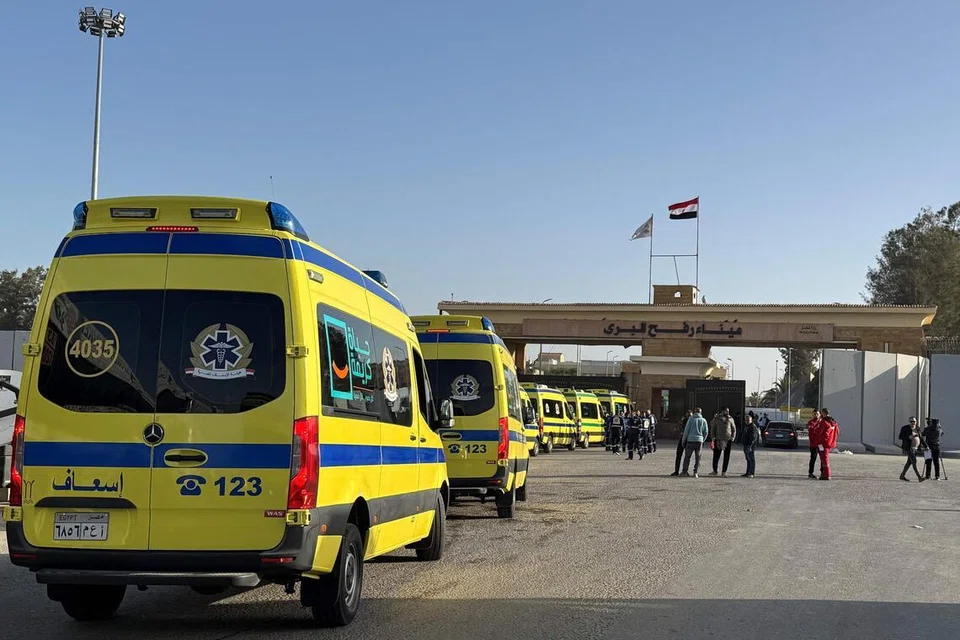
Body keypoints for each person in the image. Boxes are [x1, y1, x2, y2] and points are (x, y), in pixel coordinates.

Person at [680, 408, 709, 478]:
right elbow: (706, 432)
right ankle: (695, 472)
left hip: (690, 440)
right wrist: (703, 439)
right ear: (701, 413)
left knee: (687, 457)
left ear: (695, 412)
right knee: (698, 458)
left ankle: (684, 471)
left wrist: (683, 441)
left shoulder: (691, 419)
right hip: (699, 441)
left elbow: (686, 431)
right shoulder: (704, 420)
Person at [709, 407, 736, 477]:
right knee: (716, 456)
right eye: (726, 411)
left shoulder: (730, 419)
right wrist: (713, 437)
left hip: (728, 440)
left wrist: (733, 437)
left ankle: (724, 472)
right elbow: (713, 428)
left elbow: (734, 429)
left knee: (726, 457)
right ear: (722, 411)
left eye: (728, 411)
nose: (727, 412)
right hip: (718, 440)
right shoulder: (717, 418)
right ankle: (715, 471)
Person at [898, 417, 926, 482]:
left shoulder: (917, 428)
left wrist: (926, 446)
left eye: (914, 421)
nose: (913, 423)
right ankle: (919, 477)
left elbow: (921, 439)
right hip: (908, 447)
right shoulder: (905, 428)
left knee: (909, 462)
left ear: (916, 422)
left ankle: (902, 476)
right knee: (914, 461)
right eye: (911, 421)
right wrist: (908, 437)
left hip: (915, 448)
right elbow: (900, 437)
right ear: (909, 422)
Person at [817, 409, 839, 480]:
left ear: (823, 413)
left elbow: (818, 431)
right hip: (830, 443)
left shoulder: (824, 422)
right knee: (825, 458)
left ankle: (826, 474)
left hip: (823, 443)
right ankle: (824, 474)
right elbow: (838, 431)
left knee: (824, 459)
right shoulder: (834, 422)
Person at [671, 410, 692, 476]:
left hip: (685, 439)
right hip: (686, 439)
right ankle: (682, 471)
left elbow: (678, 428)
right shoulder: (690, 421)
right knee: (685, 456)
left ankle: (681, 471)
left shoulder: (688, 421)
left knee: (682, 456)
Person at [806, 409, 823, 479]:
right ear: (812, 415)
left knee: (823, 458)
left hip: (821, 444)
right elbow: (812, 430)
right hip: (813, 444)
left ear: (820, 415)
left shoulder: (822, 422)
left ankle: (823, 472)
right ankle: (810, 473)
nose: (816, 415)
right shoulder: (810, 422)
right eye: (814, 414)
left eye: (817, 414)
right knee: (813, 458)